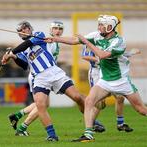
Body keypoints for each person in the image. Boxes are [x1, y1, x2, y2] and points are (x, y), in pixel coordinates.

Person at [46, 14, 147, 142]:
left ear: (110, 27)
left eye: (102, 25)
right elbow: (74, 40)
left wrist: (87, 42)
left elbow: (102, 54)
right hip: (105, 80)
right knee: (89, 101)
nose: (99, 27)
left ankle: (118, 123)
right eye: (99, 24)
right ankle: (88, 134)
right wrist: (54, 39)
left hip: (121, 81)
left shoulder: (119, 41)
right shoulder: (96, 35)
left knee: (141, 110)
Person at [1, 20, 85, 141]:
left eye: (26, 28)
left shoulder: (38, 35)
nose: (24, 31)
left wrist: (12, 52)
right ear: (19, 34)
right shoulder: (22, 51)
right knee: (41, 105)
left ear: (30, 28)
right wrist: (12, 57)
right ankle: (52, 135)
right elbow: (24, 65)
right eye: (21, 30)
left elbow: (27, 43)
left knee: (77, 97)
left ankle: (91, 123)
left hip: (53, 72)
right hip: (39, 78)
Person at [82, 46, 140, 133]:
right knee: (99, 103)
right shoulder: (93, 40)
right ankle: (92, 124)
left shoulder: (112, 42)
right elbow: (84, 56)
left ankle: (120, 124)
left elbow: (118, 54)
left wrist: (130, 53)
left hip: (109, 72)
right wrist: (99, 60)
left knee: (120, 97)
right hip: (96, 73)